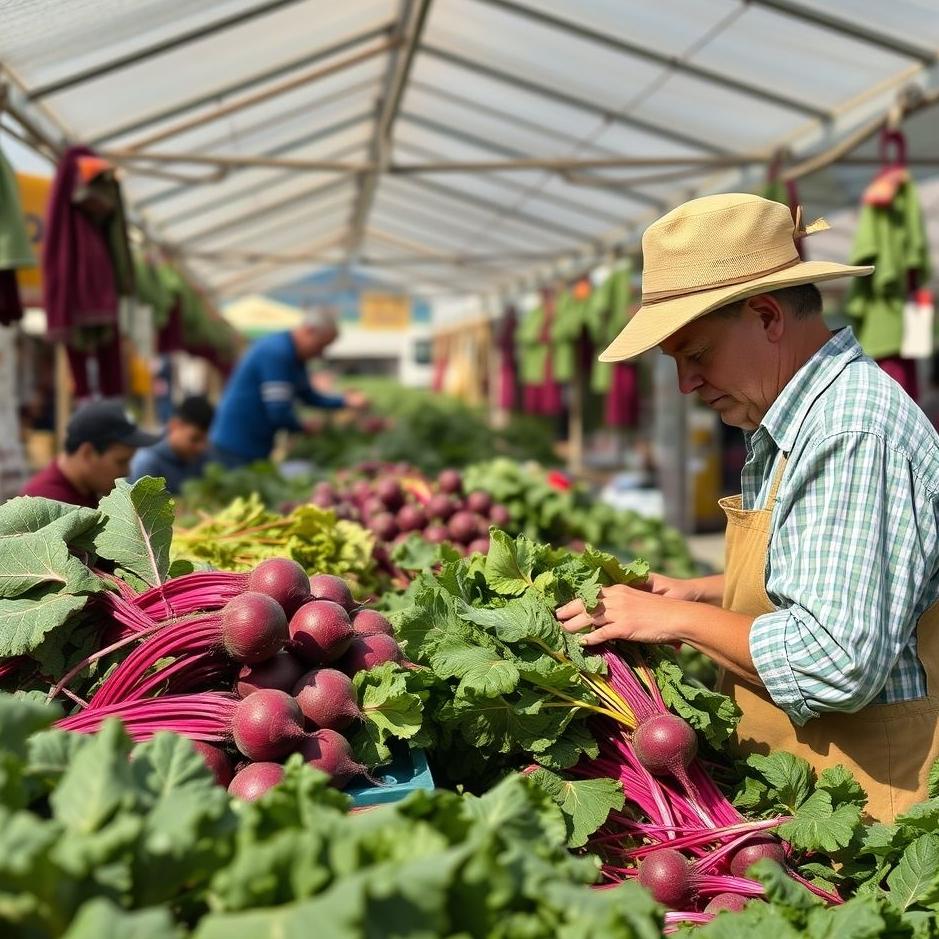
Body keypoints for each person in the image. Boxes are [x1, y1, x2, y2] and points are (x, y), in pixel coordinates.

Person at [556, 193, 939, 823]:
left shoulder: (848, 433)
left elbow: (837, 662)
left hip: (876, 806)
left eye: (696, 354)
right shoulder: (802, 416)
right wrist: (703, 594)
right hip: (819, 784)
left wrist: (668, 621)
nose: (686, 384)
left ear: (766, 316)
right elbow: (833, 579)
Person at [210, 311, 367, 468]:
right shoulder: (277, 353)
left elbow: (308, 396)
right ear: (308, 331)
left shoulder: (295, 358)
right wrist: (304, 427)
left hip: (254, 444)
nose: (320, 354)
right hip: (236, 444)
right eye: (321, 345)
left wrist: (345, 401)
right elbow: (279, 411)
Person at [21, 399, 160, 507]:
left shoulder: (87, 489)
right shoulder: (46, 503)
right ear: (87, 453)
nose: (127, 471)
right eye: (121, 462)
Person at [128, 395, 215, 493]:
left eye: (206, 441)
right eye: (195, 439)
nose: (201, 447)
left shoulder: (201, 458)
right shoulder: (147, 462)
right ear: (174, 425)